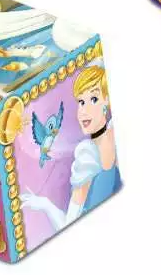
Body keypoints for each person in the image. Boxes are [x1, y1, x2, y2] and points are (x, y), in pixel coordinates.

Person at [20, 65, 121, 230]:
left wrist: (45, 205)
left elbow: (68, 223)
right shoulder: (92, 149)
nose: (83, 111)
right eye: (81, 102)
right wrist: (45, 204)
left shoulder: (93, 150)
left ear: (107, 100)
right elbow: (71, 222)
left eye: (93, 99)